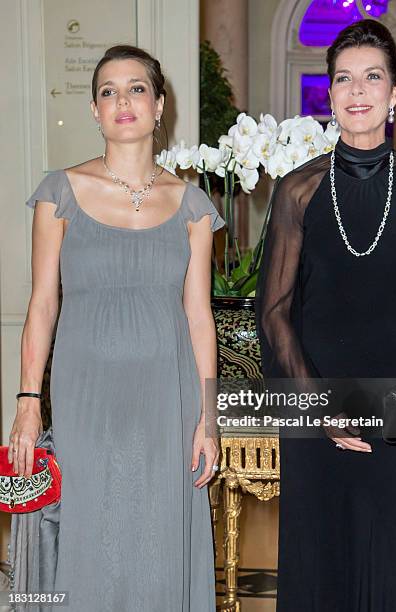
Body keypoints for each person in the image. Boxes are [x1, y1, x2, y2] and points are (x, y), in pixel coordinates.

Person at [9, 45, 225, 611]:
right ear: (94, 110)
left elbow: (200, 317)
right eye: (108, 90)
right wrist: (29, 404)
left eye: (135, 89)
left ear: (159, 106)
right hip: (87, 400)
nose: (121, 100)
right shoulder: (59, 193)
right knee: (91, 537)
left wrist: (209, 418)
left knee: (161, 542)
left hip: (168, 402)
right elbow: (41, 306)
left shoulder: (193, 205)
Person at [256, 19, 396, 612]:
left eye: (373, 77)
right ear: (331, 92)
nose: (358, 91)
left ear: (395, 92)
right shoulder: (297, 190)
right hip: (313, 393)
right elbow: (274, 312)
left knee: (382, 555)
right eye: (344, 79)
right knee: (316, 559)